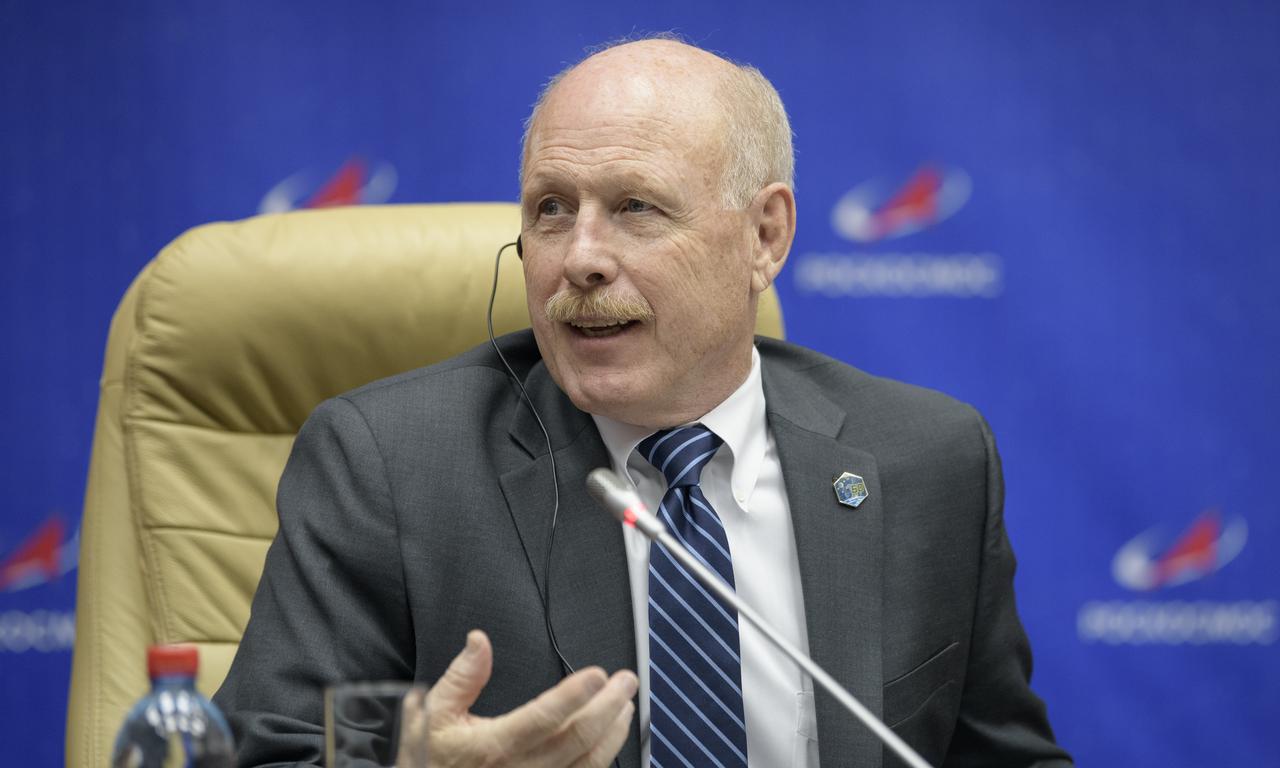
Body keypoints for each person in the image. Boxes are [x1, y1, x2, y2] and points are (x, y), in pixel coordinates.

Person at [215, 37, 1072, 768]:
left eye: (635, 207)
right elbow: (270, 752)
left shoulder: (927, 458)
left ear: (764, 235)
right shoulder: (388, 464)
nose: (580, 258)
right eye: (552, 210)